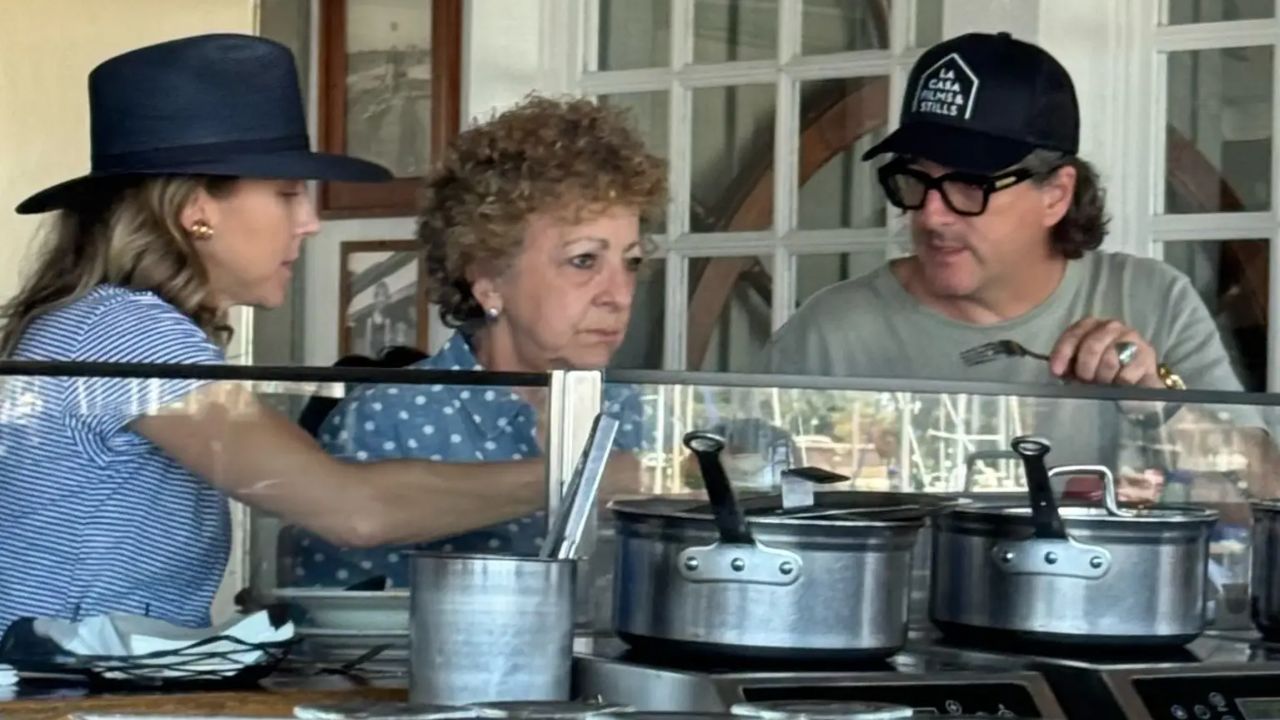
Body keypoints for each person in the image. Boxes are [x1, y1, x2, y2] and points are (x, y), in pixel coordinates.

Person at [0, 35, 639, 633]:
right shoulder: (124, 334)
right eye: (286, 194)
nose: (309, 221)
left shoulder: (111, 326)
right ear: (196, 212)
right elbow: (356, 510)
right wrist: (594, 476)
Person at [761, 31, 1274, 487]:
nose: (932, 214)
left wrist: (1158, 405)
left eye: (969, 184)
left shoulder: (1151, 298)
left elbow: (1265, 489)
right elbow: (739, 488)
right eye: (916, 179)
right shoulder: (831, 331)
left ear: (1056, 194)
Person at [282, 95, 669, 588]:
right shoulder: (387, 421)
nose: (619, 295)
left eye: (631, 262)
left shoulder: (643, 416)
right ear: (488, 280)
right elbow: (327, 623)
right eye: (584, 261)